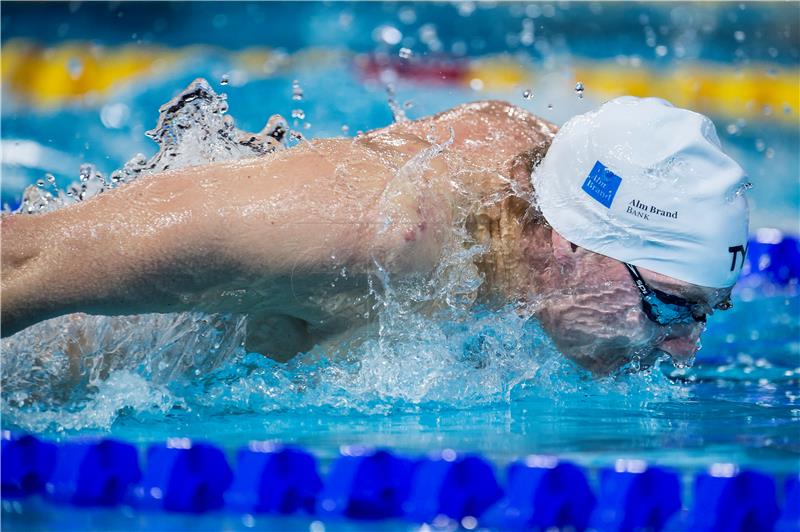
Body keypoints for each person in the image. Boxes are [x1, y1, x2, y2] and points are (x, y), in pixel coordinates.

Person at [0, 96, 749, 374]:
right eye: (673, 306)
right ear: (574, 243)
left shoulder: (549, 173)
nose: (687, 347)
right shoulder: (368, 231)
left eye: (704, 312)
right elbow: (26, 256)